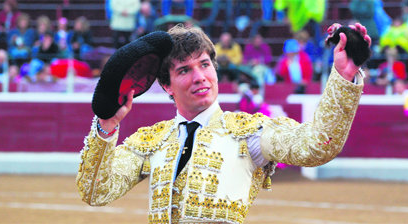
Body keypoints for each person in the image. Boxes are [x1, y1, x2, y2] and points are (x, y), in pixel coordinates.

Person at [77, 23, 370, 223]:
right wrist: (106, 125)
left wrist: (343, 77)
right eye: (184, 70)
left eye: (205, 64)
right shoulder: (152, 141)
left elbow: (316, 145)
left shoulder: (248, 134)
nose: (200, 76)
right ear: (167, 86)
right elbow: (96, 191)